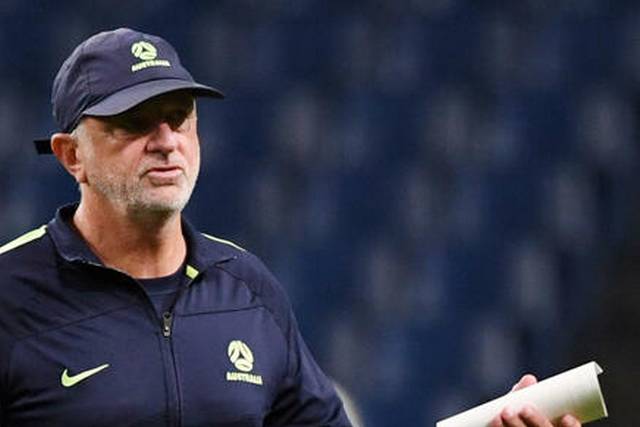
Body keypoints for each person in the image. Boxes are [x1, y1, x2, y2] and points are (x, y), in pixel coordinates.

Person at [0, 28, 582, 427]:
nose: (166, 141)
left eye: (179, 117)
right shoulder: (10, 294)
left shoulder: (246, 288)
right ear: (71, 156)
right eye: (134, 122)